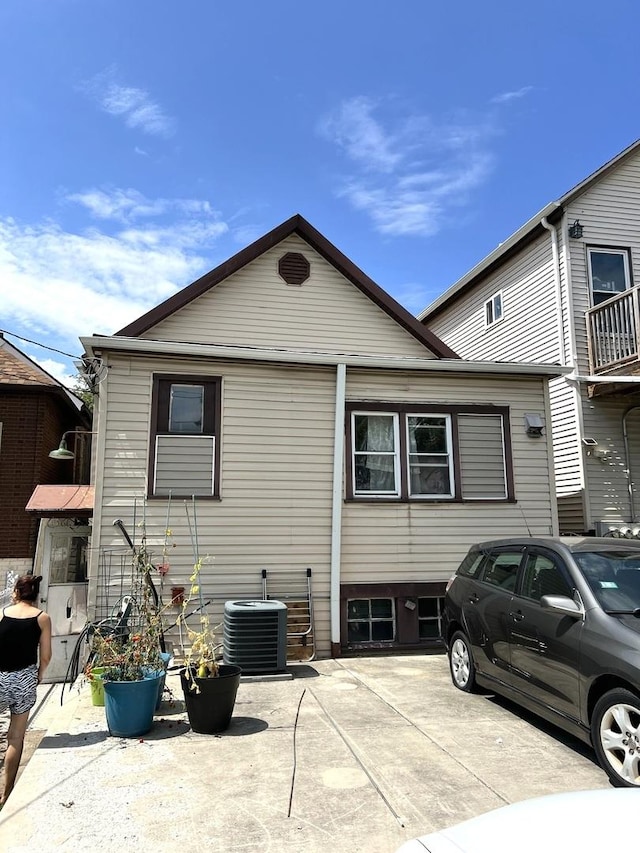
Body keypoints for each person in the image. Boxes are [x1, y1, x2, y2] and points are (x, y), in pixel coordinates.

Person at [0, 575, 52, 807]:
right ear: (36, 594)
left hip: (0, 677)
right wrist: (39, 673)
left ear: (17, 592)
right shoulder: (42, 618)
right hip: (24, 679)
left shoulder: (2, 614)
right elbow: (47, 655)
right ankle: (6, 794)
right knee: (15, 737)